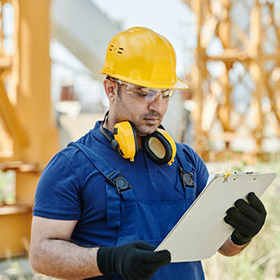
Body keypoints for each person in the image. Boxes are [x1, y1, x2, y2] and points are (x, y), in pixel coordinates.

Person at [30, 27, 267, 280]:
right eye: (143, 93)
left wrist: (243, 234)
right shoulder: (72, 165)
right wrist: (109, 260)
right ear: (111, 89)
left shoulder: (187, 163)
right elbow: (41, 255)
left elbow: (224, 248)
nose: (157, 105)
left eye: (165, 94)